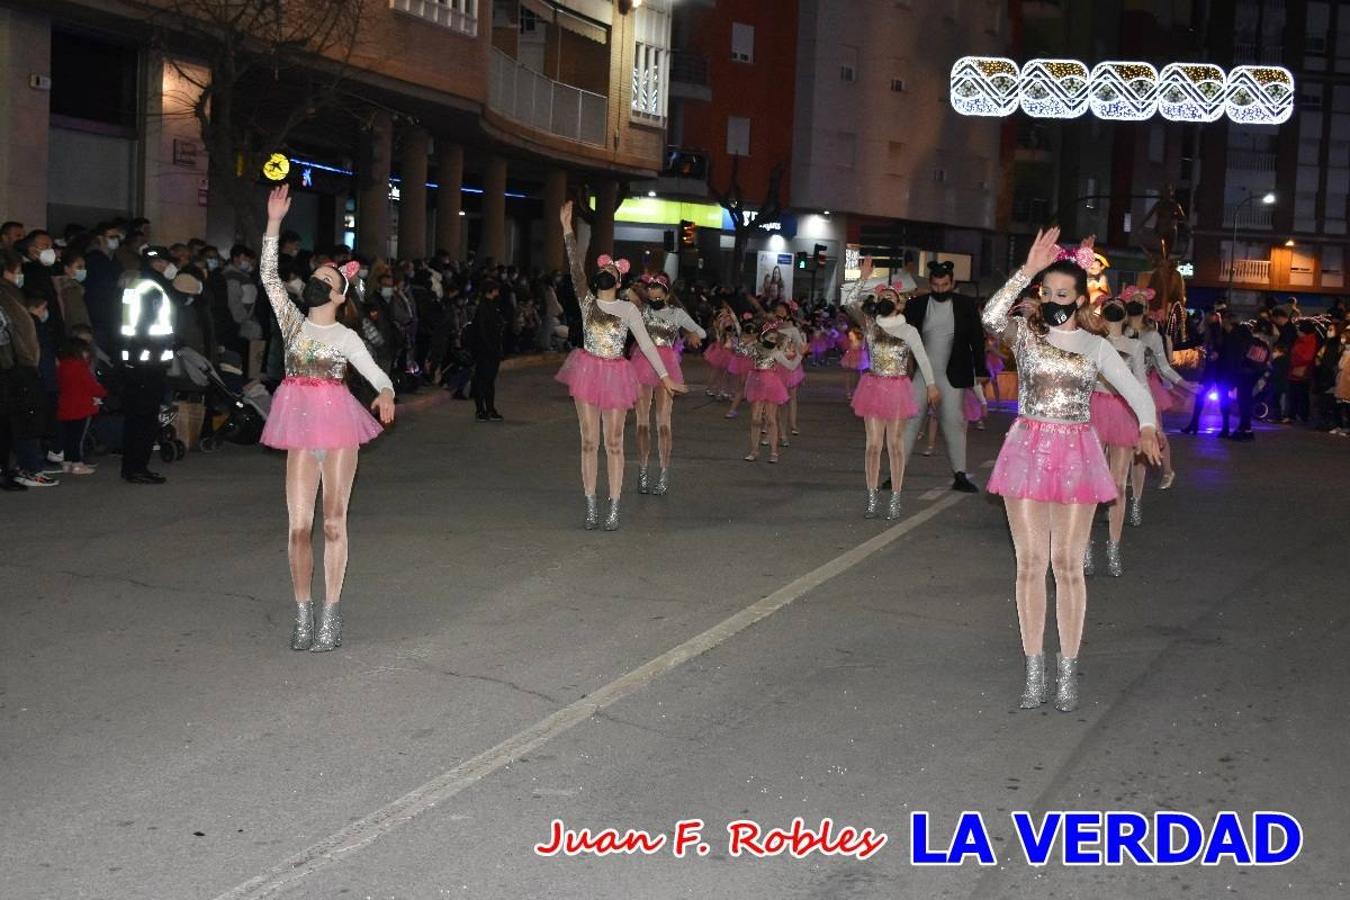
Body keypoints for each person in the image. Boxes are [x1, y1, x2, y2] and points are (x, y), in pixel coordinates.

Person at [983, 228, 1160, 713]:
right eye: (1048, 291)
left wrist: (1146, 424)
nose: (1055, 299)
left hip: (1077, 451)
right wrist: (1025, 269)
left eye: (1065, 293)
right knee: (1030, 565)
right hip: (1027, 448)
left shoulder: (1096, 345)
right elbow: (990, 316)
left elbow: (1134, 388)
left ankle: (1067, 671)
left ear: (1081, 297)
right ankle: (1033, 669)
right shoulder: (1025, 333)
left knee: (1068, 565)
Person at [259, 185, 395, 652]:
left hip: (338, 432)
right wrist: (274, 223)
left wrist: (386, 392)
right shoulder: (292, 323)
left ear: (339, 295)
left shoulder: (347, 337)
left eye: (327, 278)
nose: (318, 280)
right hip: (300, 432)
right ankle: (303, 613)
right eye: (315, 274)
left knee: (334, 523)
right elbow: (269, 278)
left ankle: (331, 616)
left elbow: (377, 373)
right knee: (299, 527)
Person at [555, 200, 685, 530]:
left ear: (618, 281)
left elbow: (645, 345)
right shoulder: (586, 300)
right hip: (586, 370)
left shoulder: (629, 310)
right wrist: (567, 230)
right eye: (603, 270)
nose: (606, 272)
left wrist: (666, 377)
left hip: (615, 373)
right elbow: (574, 267)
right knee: (588, 441)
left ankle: (613, 506)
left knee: (613, 443)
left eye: (611, 271)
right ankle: (590, 506)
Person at [844, 259, 939, 519]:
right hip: (873, 386)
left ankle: (896, 498)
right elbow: (849, 303)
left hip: (898, 388)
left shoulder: (908, 330)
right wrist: (862, 278)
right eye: (882, 294)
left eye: (891, 295)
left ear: (900, 303)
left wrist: (931, 385)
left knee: (895, 445)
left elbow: (921, 357)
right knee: (873, 446)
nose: (886, 297)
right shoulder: (871, 325)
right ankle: (872, 497)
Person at [902, 259, 988, 493]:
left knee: (953, 422)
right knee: (910, 420)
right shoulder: (917, 305)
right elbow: (903, 337)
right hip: (922, 372)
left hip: (953, 374)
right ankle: (896, 472)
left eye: (944, 285)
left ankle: (960, 474)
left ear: (953, 283)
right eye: (936, 285)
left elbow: (977, 340)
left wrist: (980, 370)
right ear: (930, 283)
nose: (940, 289)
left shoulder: (966, 305)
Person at [1086, 297, 1147, 577]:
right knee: (1102, 482)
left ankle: (1108, 548)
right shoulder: (1095, 343)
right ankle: (1095, 548)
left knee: (1112, 484)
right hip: (1102, 408)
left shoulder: (1133, 346)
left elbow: (1141, 386)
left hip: (1115, 411)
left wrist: (1149, 422)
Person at [630, 273, 704, 495]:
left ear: (666, 292)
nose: (652, 292)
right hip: (643, 362)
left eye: (657, 288)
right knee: (642, 422)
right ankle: (642, 471)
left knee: (664, 422)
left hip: (668, 365)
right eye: (650, 288)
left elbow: (701, 332)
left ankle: (663, 473)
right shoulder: (641, 310)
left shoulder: (676, 313)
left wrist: (690, 334)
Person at [1, 248, 55, 488]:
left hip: (17, 365)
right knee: (19, 421)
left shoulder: (12, 294)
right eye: (17, 270)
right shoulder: (6, 296)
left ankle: (11, 469)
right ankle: (17, 469)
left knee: (15, 422)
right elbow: (11, 334)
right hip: (13, 367)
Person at [55, 336, 105, 475]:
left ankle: (67, 463)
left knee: (68, 437)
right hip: (80, 408)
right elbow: (91, 387)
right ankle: (77, 464)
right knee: (77, 438)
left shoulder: (62, 366)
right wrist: (103, 392)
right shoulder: (81, 367)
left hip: (65, 407)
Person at [465, 278, 505, 422]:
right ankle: (481, 409)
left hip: (490, 349)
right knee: (483, 380)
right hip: (486, 350)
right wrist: (490, 347)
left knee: (488, 380)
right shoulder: (484, 308)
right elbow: (482, 330)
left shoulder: (490, 306)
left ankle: (489, 408)